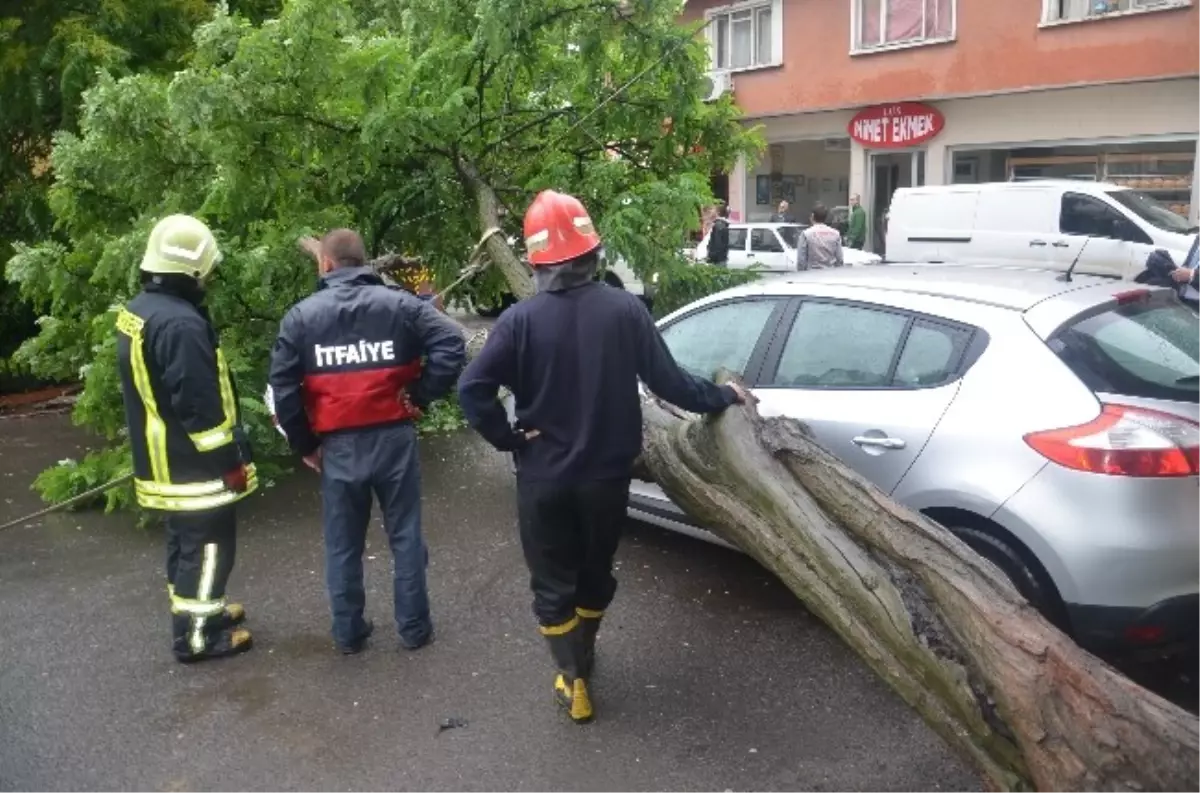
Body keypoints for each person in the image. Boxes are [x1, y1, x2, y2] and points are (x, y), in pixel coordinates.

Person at [457, 190, 747, 724]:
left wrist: (509, 438)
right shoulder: (626, 310)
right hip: (607, 480)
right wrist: (723, 397)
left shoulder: (520, 320)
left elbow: (472, 390)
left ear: (537, 259)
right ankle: (584, 656)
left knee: (551, 583)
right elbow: (672, 384)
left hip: (543, 478)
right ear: (592, 251)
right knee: (594, 574)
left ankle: (574, 679)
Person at [269, 229, 466, 654]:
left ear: (325, 264)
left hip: (338, 445)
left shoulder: (301, 317)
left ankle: (348, 634)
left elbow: (283, 390)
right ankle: (414, 630)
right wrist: (420, 394)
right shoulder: (400, 306)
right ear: (365, 262)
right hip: (393, 437)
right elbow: (452, 341)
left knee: (343, 545)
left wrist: (305, 445)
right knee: (406, 535)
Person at [115, 214, 257, 663]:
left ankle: (199, 614)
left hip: (164, 464)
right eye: (207, 270)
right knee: (209, 550)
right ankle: (199, 637)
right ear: (192, 271)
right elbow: (200, 409)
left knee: (184, 546)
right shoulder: (181, 326)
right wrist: (230, 463)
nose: (210, 278)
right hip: (194, 469)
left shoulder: (140, 311)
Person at [796, 203, 845, 270]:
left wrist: (801, 275)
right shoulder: (835, 233)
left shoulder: (806, 234)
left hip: (812, 275)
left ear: (812, 216)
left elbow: (801, 260)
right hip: (831, 274)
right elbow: (839, 259)